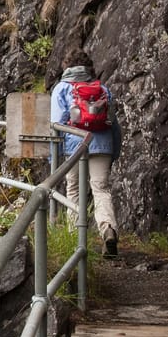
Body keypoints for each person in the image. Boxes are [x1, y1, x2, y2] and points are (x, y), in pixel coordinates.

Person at [51, 47, 122, 257]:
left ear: (66, 66)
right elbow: (114, 124)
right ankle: (108, 229)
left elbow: (56, 125)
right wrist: (114, 151)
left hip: (75, 147)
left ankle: (76, 241)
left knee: (74, 190)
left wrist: (53, 158)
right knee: (101, 189)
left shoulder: (61, 89)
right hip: (102, 145)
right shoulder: (103, 89)